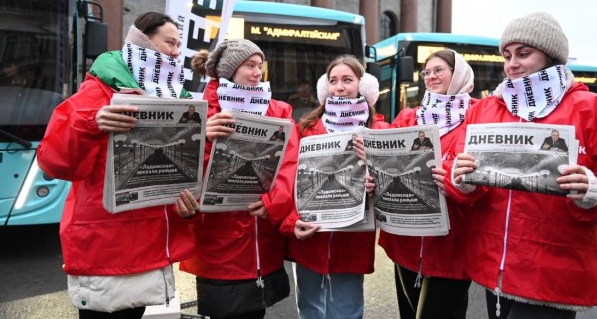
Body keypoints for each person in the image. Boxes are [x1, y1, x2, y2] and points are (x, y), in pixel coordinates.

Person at [447, 12, 597, 318]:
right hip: (493, 269)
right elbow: (460, 175)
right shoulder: (488, 108)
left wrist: (595, 191)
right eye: (506, 56)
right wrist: (463, 181)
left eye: (524, 54)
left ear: (551, 56)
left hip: (553, 275)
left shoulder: (593, 109)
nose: (511, 64)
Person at [36, 12, 200, 319]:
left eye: (180, 45)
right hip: (106, 244)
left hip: (150, 242)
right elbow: (52, 160)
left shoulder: (180, 98)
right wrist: (91, 123)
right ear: (143, 41)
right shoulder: (98, 90)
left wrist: (189, 205)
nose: (177, 53)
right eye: (170, 43)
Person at [179, 39, 297, 319]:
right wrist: (205, 138)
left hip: (263, 246)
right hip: (218, 251)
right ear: (230, 71)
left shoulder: (279, 110)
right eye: (250, 66)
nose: (258, 73)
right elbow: (185, 170)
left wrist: (274, 201)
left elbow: (290, 163)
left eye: (260, 66)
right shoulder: (198, 112)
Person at [280, 55, 389, 319]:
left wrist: (376, 179)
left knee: (348, 312)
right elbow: (287, 180)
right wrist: (292, 221)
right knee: (310, 311)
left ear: (363, 87)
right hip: (311, 238)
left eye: (347, 80)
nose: (339, 87)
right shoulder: (305, 128)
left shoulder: (380, 129)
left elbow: (393, 188)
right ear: (324, 88)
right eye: (333, 81)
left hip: (352, 242)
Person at [379, 49, 476, 319]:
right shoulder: (409, 117)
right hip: (405, 243)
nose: (431, 76)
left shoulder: (478, 116)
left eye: (439, 70)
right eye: (427, 72)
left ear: (458, 74)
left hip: (451, 247)